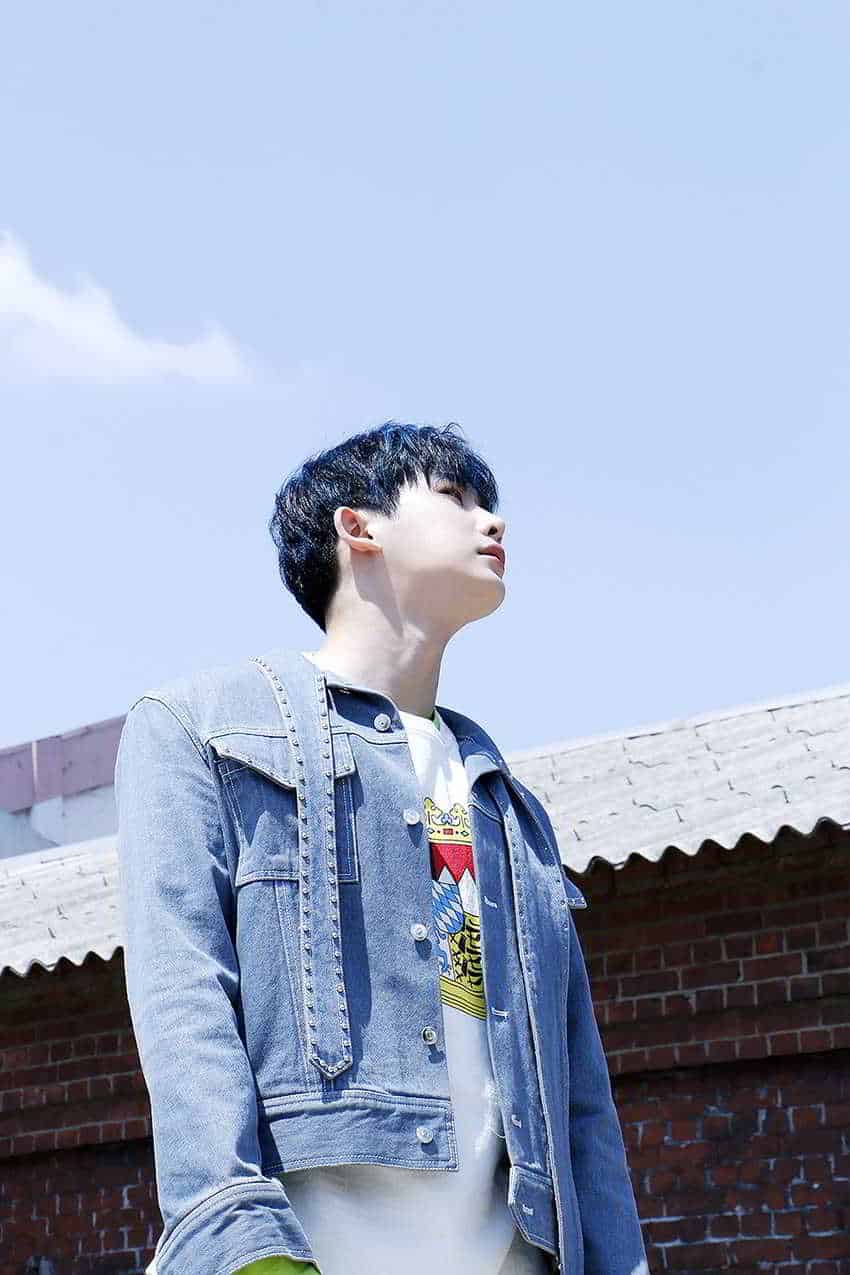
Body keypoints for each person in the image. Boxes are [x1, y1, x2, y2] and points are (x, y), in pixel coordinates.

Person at [115, 421, 648, 1275]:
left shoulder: (500, 802)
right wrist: (238, 1241)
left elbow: (578, 1088)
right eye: (456, 496)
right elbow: (184, 1001)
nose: (493, 521)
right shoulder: (200, 726)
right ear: (357, 527)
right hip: (299, 1252)